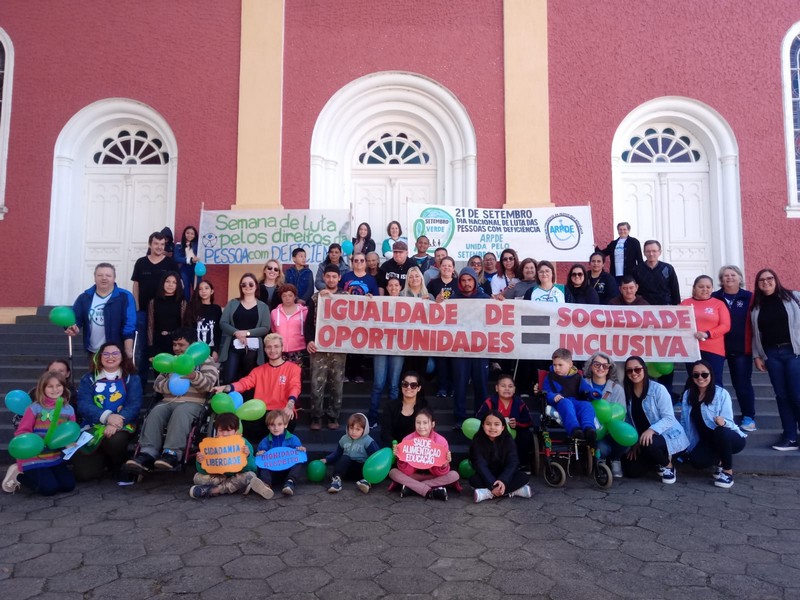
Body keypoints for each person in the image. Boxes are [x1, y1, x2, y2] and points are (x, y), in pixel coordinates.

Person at [125, 328, 218, 473]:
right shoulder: (171, 362)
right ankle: (147, 453)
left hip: (193, 403)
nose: (177, 348)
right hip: (168, 401)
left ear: (192, 345)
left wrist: (194, 376)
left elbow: (210, 385)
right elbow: (157, 385)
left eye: (181, 345)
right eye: (175, 345)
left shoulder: (205, 360)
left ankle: (172, 453)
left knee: (181, 412)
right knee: (155, 412)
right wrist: (170, 385)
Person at [73, 342, 142, 483]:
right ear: (100, 357)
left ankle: (117, 465)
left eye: (115, 353)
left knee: (115, 440)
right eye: (106, 354)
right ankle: (102, 458)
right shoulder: (89, 378)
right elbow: (83, 404)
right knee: (85, 475)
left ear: (122, 357)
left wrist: (116, 422)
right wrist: (107, 417)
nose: (110, 357)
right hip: (93, 427)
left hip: (122, 425)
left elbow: (134, 405)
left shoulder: (131, 378)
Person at [215, 333, 301, 442]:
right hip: (261, 412)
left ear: (282, 348)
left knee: (287, 419)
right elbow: (244, 383)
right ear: (264, 349)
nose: (272, 350)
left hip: (282, 411)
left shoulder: (293, 368)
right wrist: (225, 388)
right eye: (269, 347)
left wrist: (290, 404)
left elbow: (295, 386)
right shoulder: (258, 370)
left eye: (276, 346)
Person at [750, 268, 800, 451]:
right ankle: (790, 437)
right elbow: (756, 334)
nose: (766, 282)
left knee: (796, 393)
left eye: (769, 278)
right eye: (761, 280)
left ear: (776, 279)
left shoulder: (794, 297)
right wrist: (757, 356)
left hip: (794, 352)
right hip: (772, 355)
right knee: (781, 395)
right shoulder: (757, 307)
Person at [5, 371, 77, 496]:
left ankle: (48, 475)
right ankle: (18, 475)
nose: (55, 389)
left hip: (54, 456)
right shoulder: (34, 408)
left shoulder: (68, 409)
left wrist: (70, 443)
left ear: (64, 387)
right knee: (49, 489)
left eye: (58, 385)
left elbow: (70, 431)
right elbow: (22, 432)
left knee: (68, 486)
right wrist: (32, 445)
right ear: (43, 388)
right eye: (50, 386)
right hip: (33, 457)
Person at [679, 360, 747, 489]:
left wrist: (723, 421)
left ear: (711, 375)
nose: (700, 378)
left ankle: (727, 472)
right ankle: (720, 460)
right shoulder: (688, 394)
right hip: (708, 441)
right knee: (696, 462)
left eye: (704, 374)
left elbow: (730, 422)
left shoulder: (721, 394)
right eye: (696, 375)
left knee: (721, 430)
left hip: (730, 438)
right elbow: (684, 422)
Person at [621, 356, 688, 483]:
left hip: (667, 437)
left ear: (644, 370)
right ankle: (656, 461)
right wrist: (634, 441)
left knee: (649, 443)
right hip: (643, 440)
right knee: (631, 471)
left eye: (637, 369)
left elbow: (669, 418)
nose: (634, 373)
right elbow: (629, 420)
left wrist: (651, 430)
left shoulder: (658, 389)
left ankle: (668, 466)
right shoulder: (627, 392)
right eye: (629, 370)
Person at [131, 231, 179, 384]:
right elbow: (136, 285)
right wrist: (137, 306)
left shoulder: (170, 263)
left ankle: (163, 382)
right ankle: (142, 383)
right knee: (143, 348)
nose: (159, 247)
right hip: (145, 312)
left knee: (164, 347)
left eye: (162, 244)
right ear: (150, 244)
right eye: (156, 244)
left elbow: (177, 284)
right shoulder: (141, 262)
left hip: (165, 313)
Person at [711, 265, 756, 431]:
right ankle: (716, 416)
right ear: (721, 280)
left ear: (739, 278)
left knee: (742, 384)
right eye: (725, 275)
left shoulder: (749, 297)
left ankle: (748, 417)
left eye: (732, 275)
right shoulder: (714, 297)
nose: (729, 278)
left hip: (741, 348)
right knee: (714, 384)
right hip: (716, 347)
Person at [189, 412, 274, 499]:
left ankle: (212, 491)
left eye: (229, 431)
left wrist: (247, 456)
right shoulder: (211, 445)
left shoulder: (243, 444)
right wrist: (200, 461)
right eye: (221, 431)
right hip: (219, 477)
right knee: (197, 477)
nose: (225, 434)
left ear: (236, 431)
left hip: (237, 475)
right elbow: (203, 471)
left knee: (250, 475)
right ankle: (238, 487)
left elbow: (253, 467)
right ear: (216, 431)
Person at [305, 265, 347, 430]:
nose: (331, 279)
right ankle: (316, 417)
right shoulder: (316, 298)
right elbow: (308, 323)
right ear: (324, 278)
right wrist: (309, 340)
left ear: (339, 278)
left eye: (334, 276)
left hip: (339, 348)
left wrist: (369, 298)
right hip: (319, 347)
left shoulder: (346, 297)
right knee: (316, 384)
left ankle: (333, 416)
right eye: (328, 276)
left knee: (337, 384)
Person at [68, 262, 136, 359]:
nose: (104, 278)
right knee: (95, 374)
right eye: (100, 275)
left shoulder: (124, 296)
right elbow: (75, 319)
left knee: (117, 375)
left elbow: (129, 324)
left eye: (108, 275)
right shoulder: (85, 297)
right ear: (94, 277)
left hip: (116, 352)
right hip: (94, 351)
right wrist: (72, 327)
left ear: (114, 278)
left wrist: (128, 350)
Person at [388, 408, 459, 501]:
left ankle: (413, 488)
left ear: (432, 424)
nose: (421, 426)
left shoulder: (441, 441)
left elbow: (441, 473)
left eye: (425, 423)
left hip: (433, 476)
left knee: (454, 475)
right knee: (393, 472)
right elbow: (406, 472)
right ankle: (429, 490)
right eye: (418, 422)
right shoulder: (407, 440)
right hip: (413, 475)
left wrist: (444, 463)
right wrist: (401, 458)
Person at [451, 267, 491, 427]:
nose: (467, 283)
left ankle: (480, 418)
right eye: (463, 280)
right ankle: (459, 418)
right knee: (460, 385)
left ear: (475, 280)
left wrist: (501, 304)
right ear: (460, 282)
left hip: (481, 350)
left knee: (481, 385)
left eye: (469, 280)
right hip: (460, 349)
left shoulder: (485, 298)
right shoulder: (453, 299)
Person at [219, 273, 271, 386]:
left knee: (249, 380)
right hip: (233, 347)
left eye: (251, 284)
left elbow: (265, 327)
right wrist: (236, 332)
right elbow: (223, 323)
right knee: (229, 378)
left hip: (253, 349)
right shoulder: (233, 303)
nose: (247, 286)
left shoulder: (263, 307)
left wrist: (247, 333)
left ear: (256, 286)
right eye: (244, 284)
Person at [470, 410, 532, 503]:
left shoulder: (508, 439)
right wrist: (492, 484)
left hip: (504, 475)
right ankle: (515, 491)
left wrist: (503, 480)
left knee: (523, 477)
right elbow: (479, 464)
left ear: (503, 427)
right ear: (483, 426)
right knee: (474, 480)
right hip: (487, 475)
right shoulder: (477, 439)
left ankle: (488, 494)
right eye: (488, 424)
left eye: (496, 424)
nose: (492, 428)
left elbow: (513, 462)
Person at [367, 278, 406, 426]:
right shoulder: (379, 301)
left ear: (400, 287)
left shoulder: (408, 303)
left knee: (394, 386)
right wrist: (367, 301)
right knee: (378, 384)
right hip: (381, 346)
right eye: (391, 285)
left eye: (396, 285)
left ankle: (391, 419)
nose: (394, 287)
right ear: (387, 288)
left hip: (398, 348)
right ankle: (373, 417)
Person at [475, 374, 534, 472]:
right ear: (497, 388)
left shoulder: (520, 403)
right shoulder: (490, 402)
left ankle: (521, 464)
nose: (507, 389)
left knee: (526, 435)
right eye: (503, 386)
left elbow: (528, 421)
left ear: (514, 389)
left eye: (510, 386)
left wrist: (517, 423)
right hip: (493, 433)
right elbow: (479, 418)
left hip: (514, 434)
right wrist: (491, 422)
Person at [680, 275, 730, 384]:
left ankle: (716, 402)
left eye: (708, 287)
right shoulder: (684, 304)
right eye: (701, 286)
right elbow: (678, 324)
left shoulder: (719, 304)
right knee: (695, 382)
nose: (705, 289)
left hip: (714, 350)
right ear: (694, 288)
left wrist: (708, 334)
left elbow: (725, 325)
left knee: (715, 382)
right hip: (691, 349)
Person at [583, 352, 626, 478]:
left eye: (605, 366)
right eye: (597, 364)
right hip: (590, 428)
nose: (601, 368)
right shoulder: (582, 384)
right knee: (603, 449)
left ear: (609, 369)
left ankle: (615, 459)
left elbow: (622, 414)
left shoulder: (617, 389)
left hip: (611, 429)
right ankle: (600, 461)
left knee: (627, 437)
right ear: (591, 366)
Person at [542, 348, 597, 441]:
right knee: (566, 403)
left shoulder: (577, 377)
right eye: (554, 365)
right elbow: (546, 392)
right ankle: (574, 429)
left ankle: (589, 428)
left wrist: (593, 393)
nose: (557, 368)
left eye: (560, 365)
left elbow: (587, 389)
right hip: (560, 402)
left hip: (576, 402)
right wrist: (553, 397)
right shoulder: (550, 377)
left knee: (587, 405)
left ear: (570, 364)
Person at [322, 412, 380, 494]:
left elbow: (376, 457)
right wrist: (327, 459)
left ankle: (366, 482)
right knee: (344, 458)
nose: (354, 432)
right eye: (351, 428)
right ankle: (336, 481)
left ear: (365, 429)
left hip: (362, 471)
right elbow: (337, 453)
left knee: (369, 465)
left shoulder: (368, 441)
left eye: (358, 429)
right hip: (347, 471)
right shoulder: (344, 439)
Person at [254, 410, 306, 496]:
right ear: (268, 427)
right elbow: (259, 457)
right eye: (272, 425)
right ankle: (266, 486)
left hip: (287, 472)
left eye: (279, 424)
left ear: (285, 425)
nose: (276, 428)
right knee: (263, 465)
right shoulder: (265, 441)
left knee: (298, 461)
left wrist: (300, 449)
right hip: (272, 473)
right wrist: (259, 454)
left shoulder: (293, 439)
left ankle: (290, 483)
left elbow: (299, 453)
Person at [380, 371, 429, 448]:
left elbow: (429, 431)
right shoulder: (390, 406)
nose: (408, 387)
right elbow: (385, 433)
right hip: (395, 449)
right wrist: (396, 445)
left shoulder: (425, 406)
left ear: (419, 388)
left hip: (418, 450)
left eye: (413, 385)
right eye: (405, 384)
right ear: (401, 386)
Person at [147, 271, 187, 359]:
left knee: (175, 372)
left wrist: (181, 345)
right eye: (168, 281)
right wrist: (151, 348)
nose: (170, 285)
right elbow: (150, 325)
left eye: (174, 282)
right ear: (163, 283)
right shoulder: (153, 302)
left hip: (176, 343)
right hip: (158, 341)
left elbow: (183, 325)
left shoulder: (182, 302)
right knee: (159, 372)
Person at [183, 280, 222, 363]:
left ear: (212, 291)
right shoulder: (191, 307)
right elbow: (187, 329)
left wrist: (216, 350)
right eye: (200, 289)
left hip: (210, 349)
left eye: (206, 288)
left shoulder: (217, 309)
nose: (203, 291)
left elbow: (218, 331)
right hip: (194, 349)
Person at [633, 240, 681, 306]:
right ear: (644, 253)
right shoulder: (637, 269)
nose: (651, 254)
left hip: (665, 307)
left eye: (654, 251)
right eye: (648, 251)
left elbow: (674, 289)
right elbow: (633, 290)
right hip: (643, 307)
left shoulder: (667, 268)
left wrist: (677, 305)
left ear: (660, 252)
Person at [270, 284, 308, 365]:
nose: (287, 298)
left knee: (296, 376)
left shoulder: (304, 312)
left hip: (298, 350)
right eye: (284, 296)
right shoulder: (274, 312)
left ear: (295, 296)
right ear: (281, 297)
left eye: (290, 295)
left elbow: (307, 329)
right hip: (280, 350)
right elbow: (273, 330)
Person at [174, 225, 200, 300]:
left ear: (195, 235)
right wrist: (190, 260)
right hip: (185, 270)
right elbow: (176, 258)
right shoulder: (179, 245)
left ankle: (197, 309)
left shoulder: (199, 245)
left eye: (192, 233)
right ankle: (185, 308)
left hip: (197, 270)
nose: (190, 235)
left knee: (197, 291)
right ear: (184, 234)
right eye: (187, 233)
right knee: (185, 292)